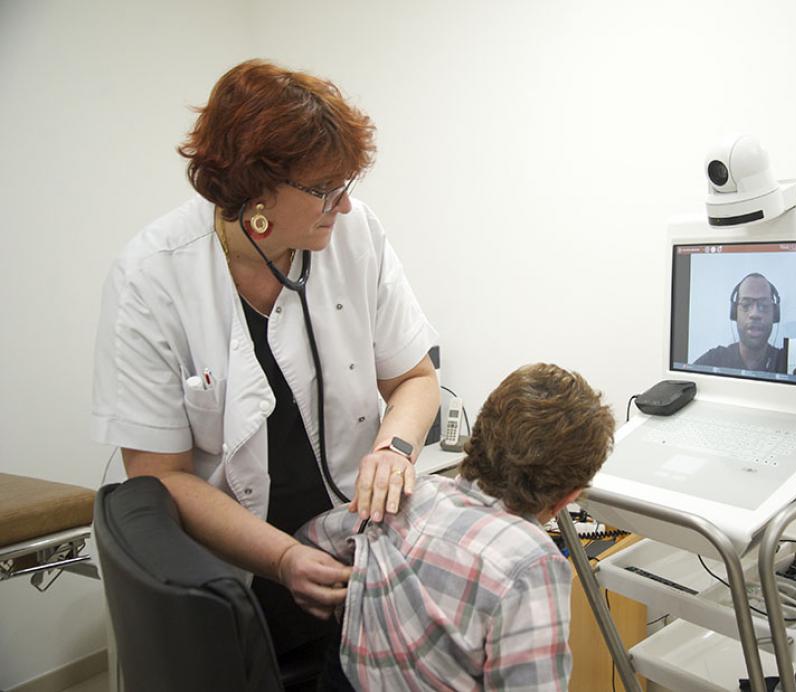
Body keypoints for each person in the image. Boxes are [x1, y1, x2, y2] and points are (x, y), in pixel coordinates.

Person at [91, 60, 440, 683]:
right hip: (237, 568)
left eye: (348, 182)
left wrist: (396, 448)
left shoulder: (355, 235)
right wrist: (283, 558)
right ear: (255, 197)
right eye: (325, 188)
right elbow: (157, 476)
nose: (346, 203)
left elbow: (414, 377)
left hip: (354, 550)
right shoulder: (152, 278)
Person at [297, 363, 616, 691]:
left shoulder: (409, 495)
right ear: (568, 498)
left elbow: (310, 541)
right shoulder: (533, 564)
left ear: (478, 433)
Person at [695, 272, 785, 372]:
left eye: (763, 305)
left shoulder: (787, 364)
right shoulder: (712, 362)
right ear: (734, 313)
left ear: (775, 314)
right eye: (746, 305)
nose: (754, 314)